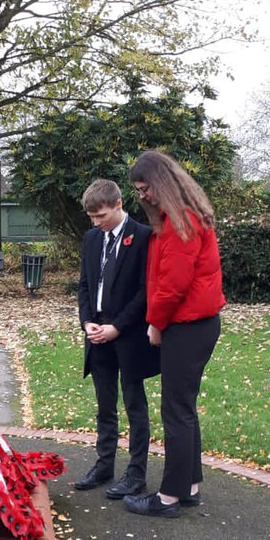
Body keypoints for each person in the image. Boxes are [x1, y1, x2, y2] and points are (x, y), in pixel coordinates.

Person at [124, 149, 225, 518]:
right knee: (184, 408)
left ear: (161, 183)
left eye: (144, 188)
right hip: (197, 323)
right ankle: (190, 486)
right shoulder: (183, 217)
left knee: (175, 411)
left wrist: (155, 323)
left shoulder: (181, 224)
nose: (142, 196)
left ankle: (169, 497)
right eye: (138, 190)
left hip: (187, 325)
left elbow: (172, 285)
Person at [76, 178, 160, 498]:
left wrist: (118, 327)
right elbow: (85, 285)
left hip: (129, 336)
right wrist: (87, 322)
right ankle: (104, 464)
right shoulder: (91, 239)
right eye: (92, 218)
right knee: (105, 405)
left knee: (134, 404)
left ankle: (136, 474)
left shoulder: (142, 237)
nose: (97, 223)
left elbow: (145, 291)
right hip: (96, 333)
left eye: (102, 216)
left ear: (119, 205)